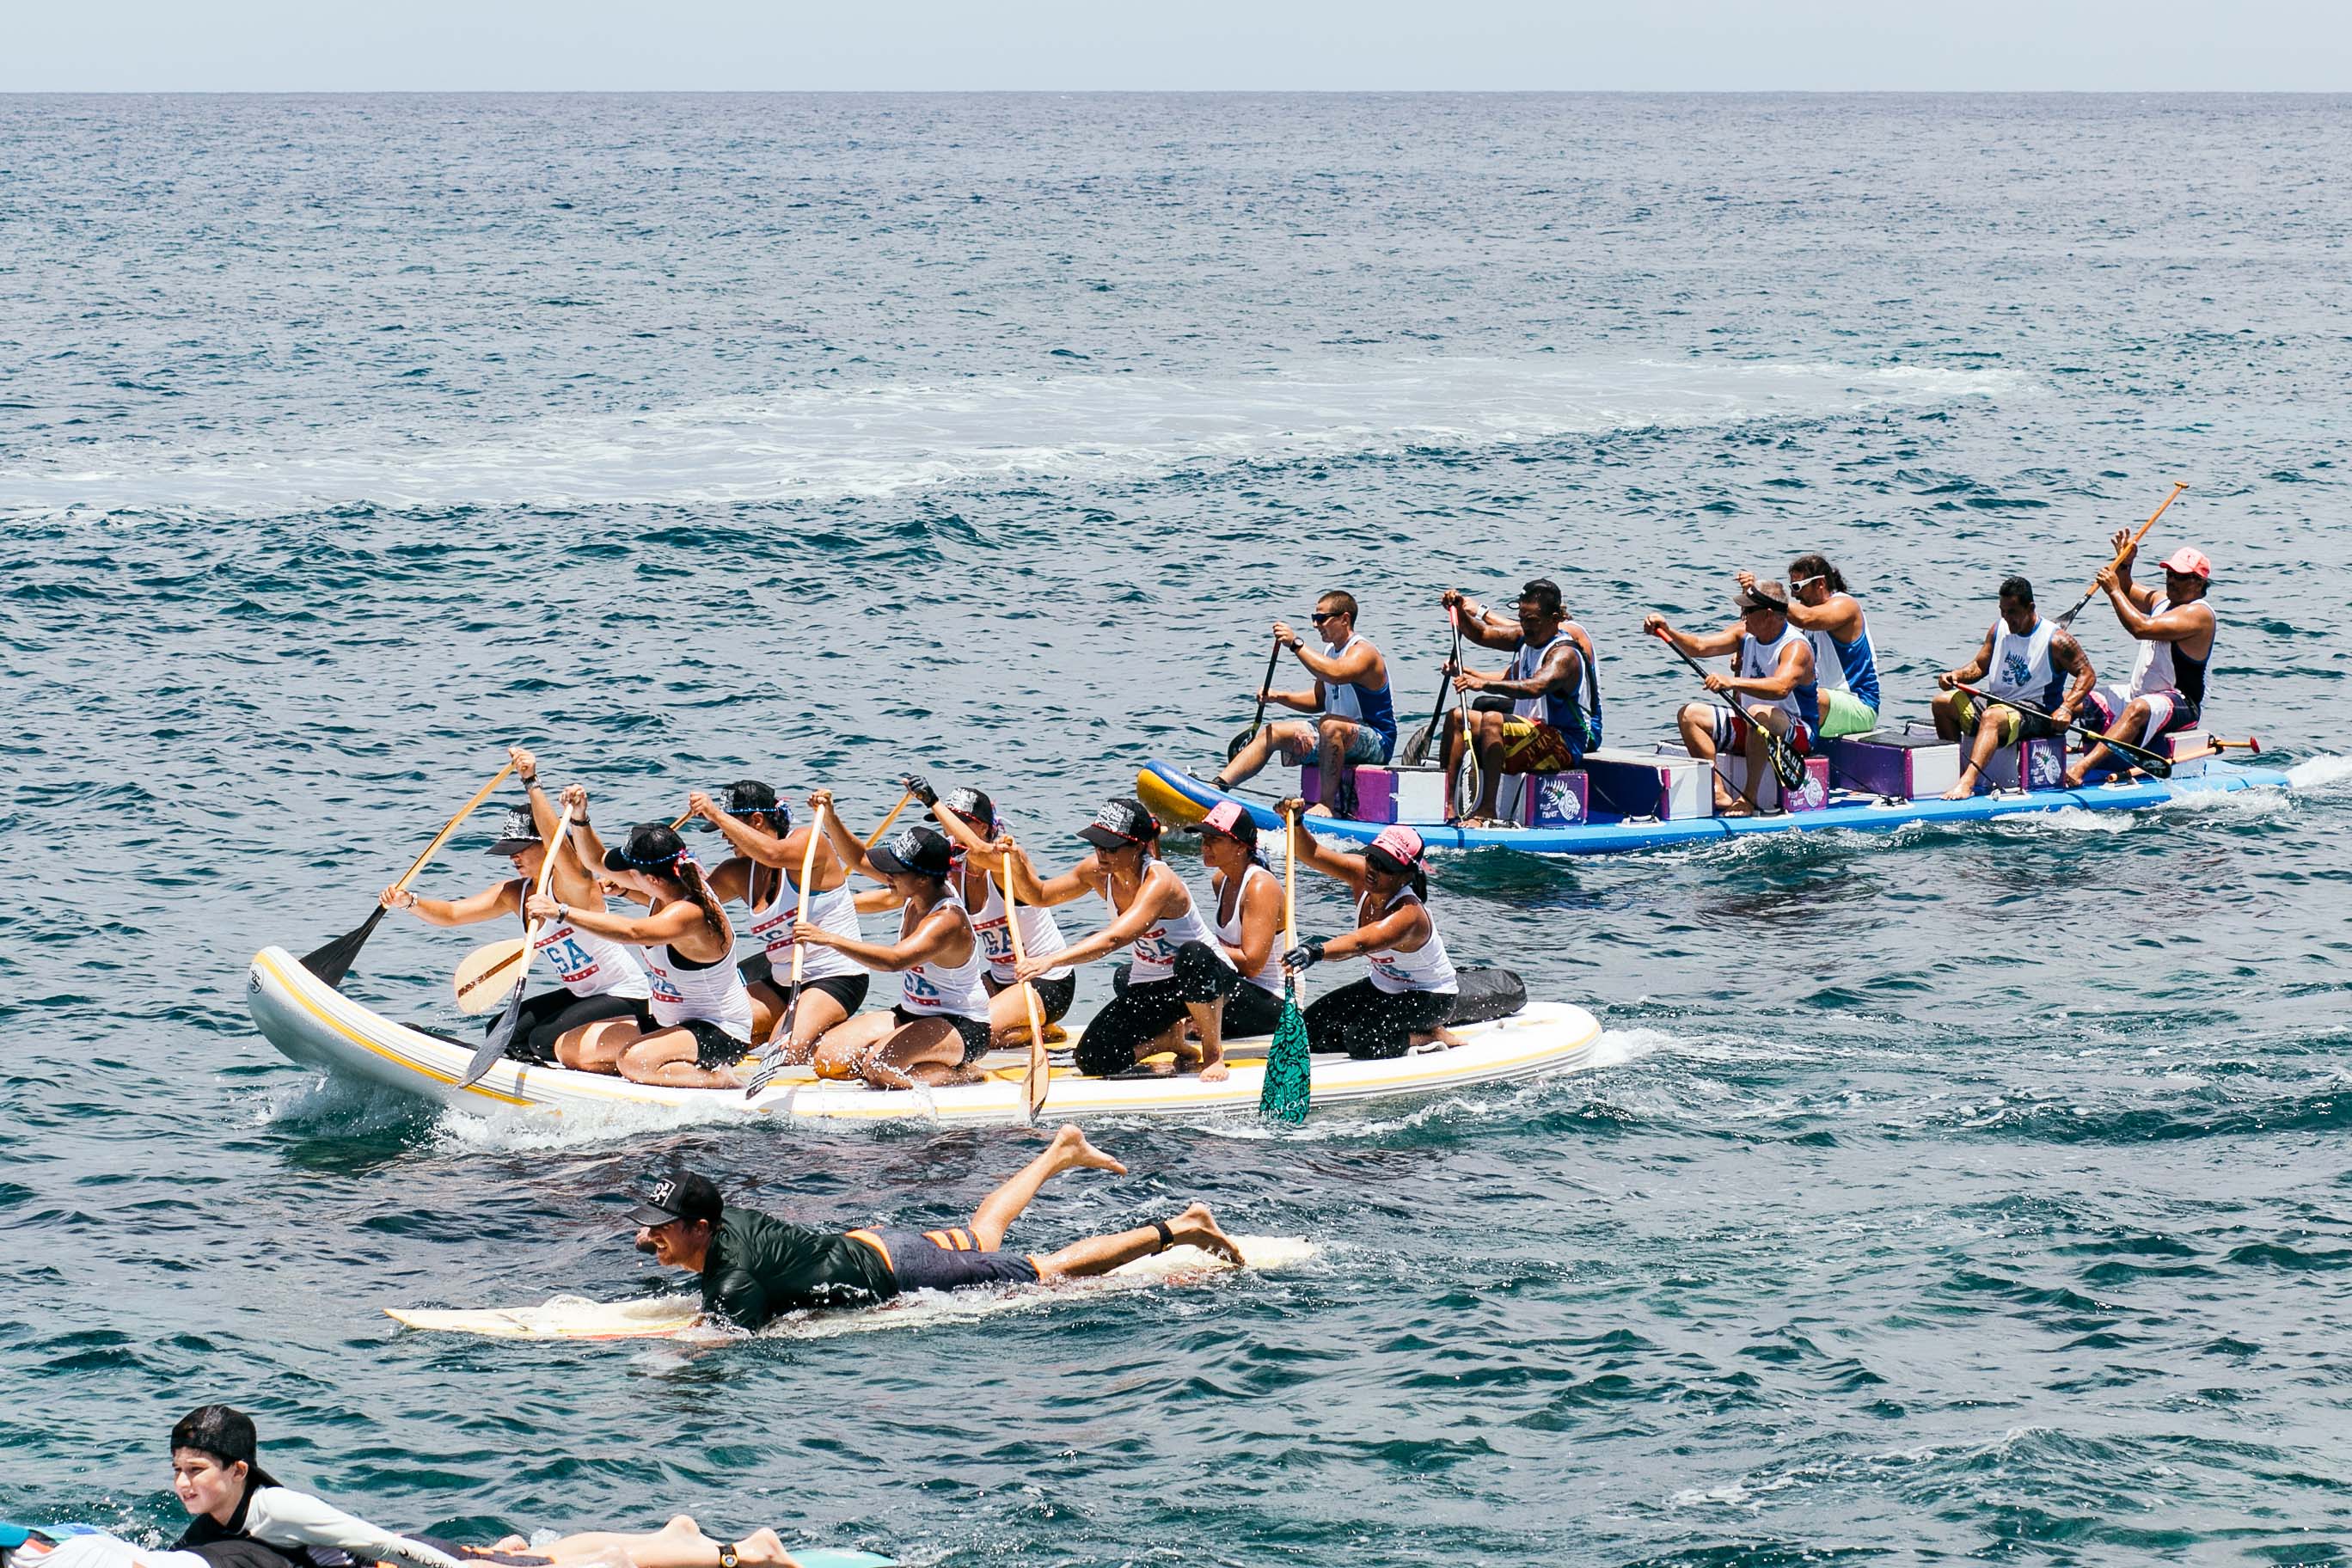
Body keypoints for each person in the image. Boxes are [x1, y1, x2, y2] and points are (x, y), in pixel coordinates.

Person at [628, 1126, 1242, 1332]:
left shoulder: (732, 1279)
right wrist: (662, 1241)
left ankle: (1179, 1227)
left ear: (702, 1228)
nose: (646, 1238)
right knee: (982, 1237)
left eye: (660, 1228)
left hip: (901, 1268)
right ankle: (1058, 1153)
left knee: (1049, 1274)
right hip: (874, 1246)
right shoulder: (726, 1222)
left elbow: (721, 1339)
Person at [138, 1406, 806, 1568]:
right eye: (176, 1469)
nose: (182, 1482)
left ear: (237, 1471)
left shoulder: (276, 1508)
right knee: (529, 1556)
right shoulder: (211, 1528)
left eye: (195, 1470)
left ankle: (746, 1552)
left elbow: (377, 1541)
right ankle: (675, 1536)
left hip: (414, 1563)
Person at [378, 747, 652, 1064]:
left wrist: (531, 782)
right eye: (509, 849)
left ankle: (619, 1049)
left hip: (625, 993)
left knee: (538, 1041)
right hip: (583, 995)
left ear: (543, 846)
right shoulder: (515, 893)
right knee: (499, 1029)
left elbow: (557, 842)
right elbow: (453, 915)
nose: (513, 857)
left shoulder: (575, 886)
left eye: (520, 848)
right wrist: (409, 901)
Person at [525, 790, 756, 1088]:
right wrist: (581, 818)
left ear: (652, 879)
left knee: (634, 1060)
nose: (622, 875)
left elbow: (633, 932)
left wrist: (561, 912)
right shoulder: (670, 880)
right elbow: (596, 861)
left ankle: (719, 1081)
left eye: (628, 873)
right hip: (670, 1024)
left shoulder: (689, 914)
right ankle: (658, 1072)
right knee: (567, 1047)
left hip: (719, 1033)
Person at [1003, 798, 1239, 1080]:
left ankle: (1213, 1054)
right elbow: (1039, 896)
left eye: (1111, 847)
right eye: (1097, 845)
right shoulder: (1097, 871)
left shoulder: (1159, 880)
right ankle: (1166, 1043)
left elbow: (1115, 939)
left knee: (1193, 954)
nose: (1102, 854)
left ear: (1138, 847)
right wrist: (1016, 860)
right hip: (1156, 985)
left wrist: (1050, 961)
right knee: (1092, 1059)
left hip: (1209, 977)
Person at [791, 801, 993, 1089]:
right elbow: (860, 859)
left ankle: (963, 1073)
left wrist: (828, 939)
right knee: (825, 1058)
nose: (888, 876)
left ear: (923, 878)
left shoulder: (947, 921)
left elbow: (895, 960)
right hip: (911, 1014)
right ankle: (904, 1067)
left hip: (962, 1025)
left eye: (896, 871)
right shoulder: (913, 893)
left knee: (880, 1068)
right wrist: (831, 817)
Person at [683, 781, 867, 1060]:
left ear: (756, 820)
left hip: (834, 977)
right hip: (782, 983)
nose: (723, 837)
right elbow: (688, 906)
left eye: (725, 827)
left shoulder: (810, 841)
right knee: (719, 1032)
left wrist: (715, 812)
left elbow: (774, 854)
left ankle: (835, 1038)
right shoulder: (739, 872)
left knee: (783, 1052)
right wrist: (625, 884)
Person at [1273, 815, 1461, 1058]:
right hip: (1382, 987)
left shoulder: (1409, 915)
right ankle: (1375, 1033)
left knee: (1361, 1039)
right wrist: (1297, 823)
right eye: (1373, 859)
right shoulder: (1361, 874)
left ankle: (1429, 1035)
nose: (1374, 869)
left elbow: (1361, 943)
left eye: (1386, 866)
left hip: (1431, 998)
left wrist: (1314, 951)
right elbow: (1312, 853)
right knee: (1308, 1031)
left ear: (1406, 876)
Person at [912, 779, 1081, 1047]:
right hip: (999, 979)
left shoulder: (1007, 860)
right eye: (944, 824)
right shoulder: (956, 871)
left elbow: (980, 851)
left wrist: (934, 802)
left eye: (958, 824)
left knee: (976, 1035)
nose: (949, 833)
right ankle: (1031, 1027)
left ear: (982, 826)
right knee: (943, 1022)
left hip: (1046, 981)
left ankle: (1033, 1025)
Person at [1644, 579, 1822, 816]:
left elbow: (1780, 688)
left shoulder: (1795, 647)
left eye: (1748, 611)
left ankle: (1748, 798)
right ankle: (1718, 791)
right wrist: (1668, 632)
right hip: (1752, 724)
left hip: (1797, 732)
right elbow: (1699, 647)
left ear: (1768, 615)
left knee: (1759, 714)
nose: (1743, 616)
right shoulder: (1744, 634)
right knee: (1690, 715)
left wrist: (1732, 681)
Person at [1212, 591, 1397, 818]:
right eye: (1313, 617)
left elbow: (1336, 674)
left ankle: (1326, 805)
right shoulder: (1330, 651)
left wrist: (1296, 644)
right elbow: (1319, 700)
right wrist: (1279, 697)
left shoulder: (1363, 652)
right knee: (1274, 732)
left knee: (1329, 725)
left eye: (1321, 619)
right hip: (1338, 735)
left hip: (1377, 740)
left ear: (1345, 619)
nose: (1315, 624)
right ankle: (1217, 787)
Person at [1436, 579, 1600, 825]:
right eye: (1522, 618)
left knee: (1493, 719)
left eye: (1532, 620)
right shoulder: (1525, 636)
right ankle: (1446, 805)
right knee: (1458, 717)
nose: (1526, 626)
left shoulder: (1565, 655)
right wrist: (1459, 610)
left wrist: (1483, 683)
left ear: (1555, 618)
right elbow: (1480, 633)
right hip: (1533, 728)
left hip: (1567, 741)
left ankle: (1487, 811)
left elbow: (1535, 686)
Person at [2061, 539, 2219, 787]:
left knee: (2139, 708)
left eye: (2179, 576)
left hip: (2182, 703)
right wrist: (2125, 564)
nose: (2171, 580)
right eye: (2169, 573)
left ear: (2198, 582)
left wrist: (2113, 590)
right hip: (2142, 694)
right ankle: (2038, 758)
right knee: (2074, 701)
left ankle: (2081, 768)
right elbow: (2128, 589)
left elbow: (2139, 628)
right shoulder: (2162, 601)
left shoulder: (2199, 614)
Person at [1931, 576, 2098, 799]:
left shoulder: (2056, 640)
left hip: (2037, 712)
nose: (2007, 619)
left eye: (2012, 612)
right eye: (2003, 611)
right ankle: (1956, 773)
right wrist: (1956, 675)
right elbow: (1980, 666)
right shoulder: (1998, 629)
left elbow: (2087, 674)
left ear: (2030, 608)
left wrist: (2067, 708)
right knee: (1942, 703)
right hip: (1998, 704)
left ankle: (1967, 783)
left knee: (1992, 717)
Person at [1742, 554, 1881, 739]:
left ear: (1820, 583)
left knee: (1802, 697)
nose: (1794, 594)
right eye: (1791, 587)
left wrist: (1764, 597)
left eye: (1798, 587)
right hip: (1825, 701)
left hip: (1860, 705)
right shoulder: (1807, 615)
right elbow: (1768, 629)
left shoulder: (1845, 605)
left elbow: (1806, 618)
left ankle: (1794, 739)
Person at [1196, 802, 1289, 1041]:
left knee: (1193, 959)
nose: (1205, 845)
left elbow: (1251, 964)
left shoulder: (1260, 887)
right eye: (1204, 838)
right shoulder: (1220, 881)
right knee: (1128, 977)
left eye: (1214, 839)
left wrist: (1198, 948)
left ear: (1240, 846)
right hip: (1238, 988)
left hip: (1273, 1002)